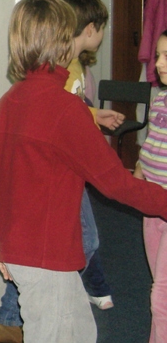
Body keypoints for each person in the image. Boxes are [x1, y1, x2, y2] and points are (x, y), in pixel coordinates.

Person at [0, 0, 167, 342]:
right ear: (62, 42)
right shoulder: (64, 108)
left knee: (81, 331)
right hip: (46, 257)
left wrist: (2, 244)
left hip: (25, 250)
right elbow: (115, 183)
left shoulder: (11, 99)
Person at [137, 29, 167, 343]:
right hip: (152, 205)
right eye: (158, 55)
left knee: (161, 297)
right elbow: (150, 145)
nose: (158, 63)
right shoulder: (160, 100)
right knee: (159, 282)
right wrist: (139, 171)